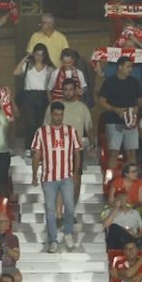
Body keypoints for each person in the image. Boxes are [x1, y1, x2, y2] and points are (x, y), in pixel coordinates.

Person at [30, 101, 82, 253]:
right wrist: (34, 175)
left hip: (66, 176)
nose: (59, 117)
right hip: (48, 178)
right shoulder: (41, 132)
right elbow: (36, 154)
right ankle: (53, 240)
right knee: (50, 210)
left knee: (70, 206)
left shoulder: (71, 131)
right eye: (56, 114)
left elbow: (77, 153)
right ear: (51, 114)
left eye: (61, 115)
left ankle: (68, 233)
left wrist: (76, 173)